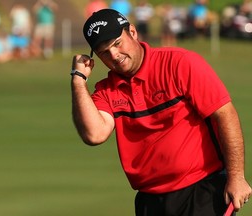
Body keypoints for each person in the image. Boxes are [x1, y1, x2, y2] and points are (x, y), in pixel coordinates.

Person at [71, 9, 252, 215]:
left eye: (117, 43)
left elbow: (225, 114)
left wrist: (236, 177)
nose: (114, 55)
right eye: (104, 52)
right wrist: (78, 80)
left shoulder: (179, 63)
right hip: (150, 200)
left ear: (132, 31)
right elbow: (95, 134)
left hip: (202, 190)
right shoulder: (106, 90)